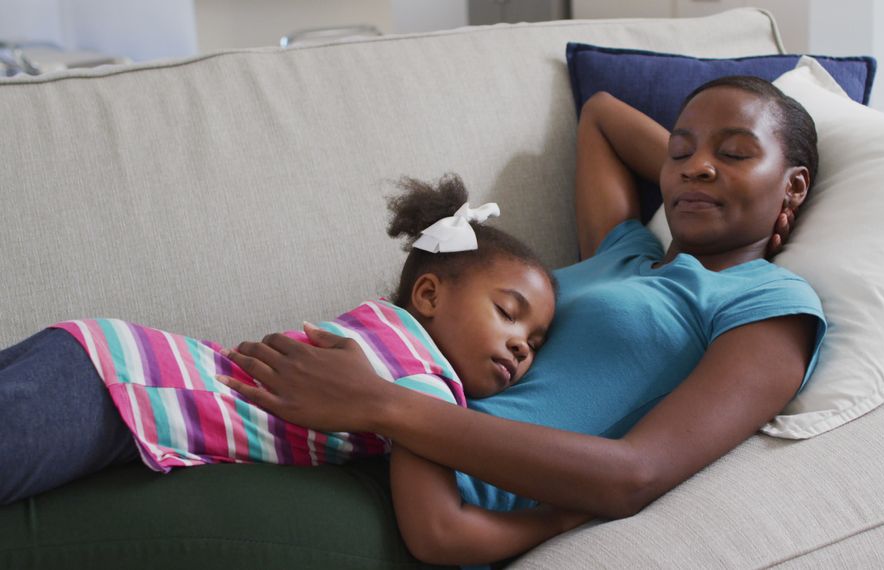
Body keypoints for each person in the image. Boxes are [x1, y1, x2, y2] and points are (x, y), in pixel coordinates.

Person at [219, 75, 829, 561]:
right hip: (336, 441)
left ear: (795, 186)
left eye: (735, 152)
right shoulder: (622, 250)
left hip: (424, 513)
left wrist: (383, 404)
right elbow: (602, 114)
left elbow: (635, 475)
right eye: (680, 150)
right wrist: (706, 166)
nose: (697, 166)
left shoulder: (768, 304)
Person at [0, 174, 592, 564]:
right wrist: (553, 520)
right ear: (430, 296)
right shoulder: (420, 381)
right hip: (116, 391)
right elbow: (437, 534)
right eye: (508, 315)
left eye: (536, 341)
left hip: (103, 362)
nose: (521, 347)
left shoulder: (377, 332)